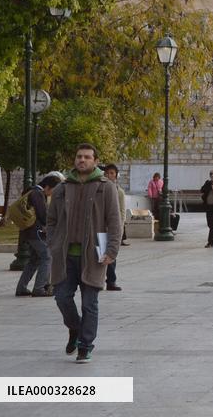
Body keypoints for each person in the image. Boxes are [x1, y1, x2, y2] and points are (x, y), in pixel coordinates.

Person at [46, 143, 121, 363]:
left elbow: (115, 222)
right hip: (65, 255)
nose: (82, 160)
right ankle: (76, 329)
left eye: (87, 157)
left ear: (95, 161)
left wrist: (112, 250)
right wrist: (53, 242)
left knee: (90, 303)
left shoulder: (106, 187)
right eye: (79, 156)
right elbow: (51, 220)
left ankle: (85, 345)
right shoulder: (62, 188)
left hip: (93, 254)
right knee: (61, 297)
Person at [15, 173, 62, 297]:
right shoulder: (37, 193)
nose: (52, 194)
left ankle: (21, 288)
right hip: (36, 233)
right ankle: (39, 288)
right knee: (47, 257)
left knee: (34, 260)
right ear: (47, 186)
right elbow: (43, 215)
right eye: (53, 190)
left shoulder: (30, 191)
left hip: (29, 232)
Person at [101, 164, 126, 291]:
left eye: (112, 173)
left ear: (116, 175)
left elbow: (122, 212)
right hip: (100, 228)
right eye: (107, 173)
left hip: (112, 229)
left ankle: (111, 281)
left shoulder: (119, 192)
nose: (109, 175)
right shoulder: (99, 189)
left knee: (111, 255)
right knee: (99, 255)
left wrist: (120, 229)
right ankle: (98, 281)